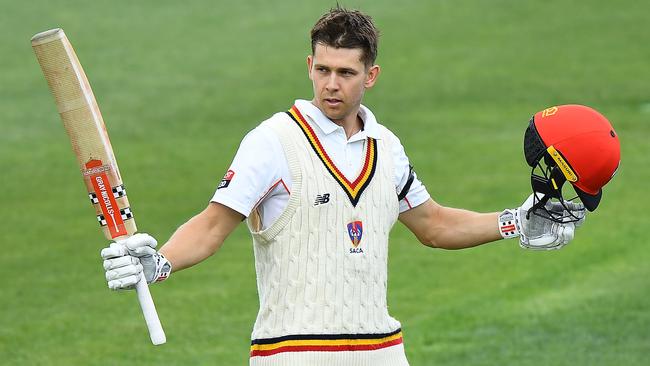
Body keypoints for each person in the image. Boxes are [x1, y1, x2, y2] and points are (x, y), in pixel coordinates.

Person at [100, 6, 618, 366]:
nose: (331, 84)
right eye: (322, 69)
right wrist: (161, 262)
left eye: (345, 72)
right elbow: (214, 224)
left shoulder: (386, 147)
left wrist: (515, 222)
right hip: (294, 352)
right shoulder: (272, 141)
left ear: (370, 75)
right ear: (309, 66)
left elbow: (433, 224)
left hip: (380, 350)